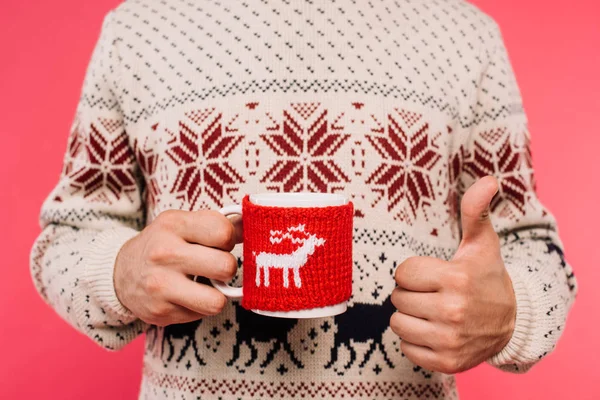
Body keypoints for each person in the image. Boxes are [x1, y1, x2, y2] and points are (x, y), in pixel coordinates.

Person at [30, 1, 577, 399]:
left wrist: (514, 312)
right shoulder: (138, 29)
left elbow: (531, 246)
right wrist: (118, 272)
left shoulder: (467, 35)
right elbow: (67, 235)